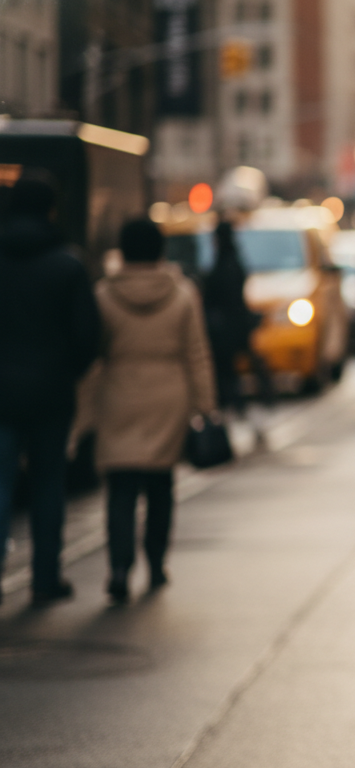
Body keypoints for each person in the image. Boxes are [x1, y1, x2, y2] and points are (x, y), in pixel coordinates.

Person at [94, 220, 216, 602]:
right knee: (160, 485)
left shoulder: (103, 295)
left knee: (121, 487)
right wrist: (206, 405)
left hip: (119, 394)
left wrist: (83, 412)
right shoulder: (181, 294)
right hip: (169, 396)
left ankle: (118, 566)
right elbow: (197, 353)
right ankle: (157, 562)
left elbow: (93, 357)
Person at [0, 176, 101, 605]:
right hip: (52, 392)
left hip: (1, 392)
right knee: (48, 482)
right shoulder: (68, 264)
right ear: (50, 211)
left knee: (0, 485)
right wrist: (67, 371)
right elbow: (88, 337)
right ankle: (45, 578)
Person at [201, 221, 258, 414]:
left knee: (227, 374)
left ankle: (236, 408)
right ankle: (241, 408)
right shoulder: (234, 260)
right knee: (235, 371)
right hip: (237, 324)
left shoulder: (224, 264)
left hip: (225, 328)